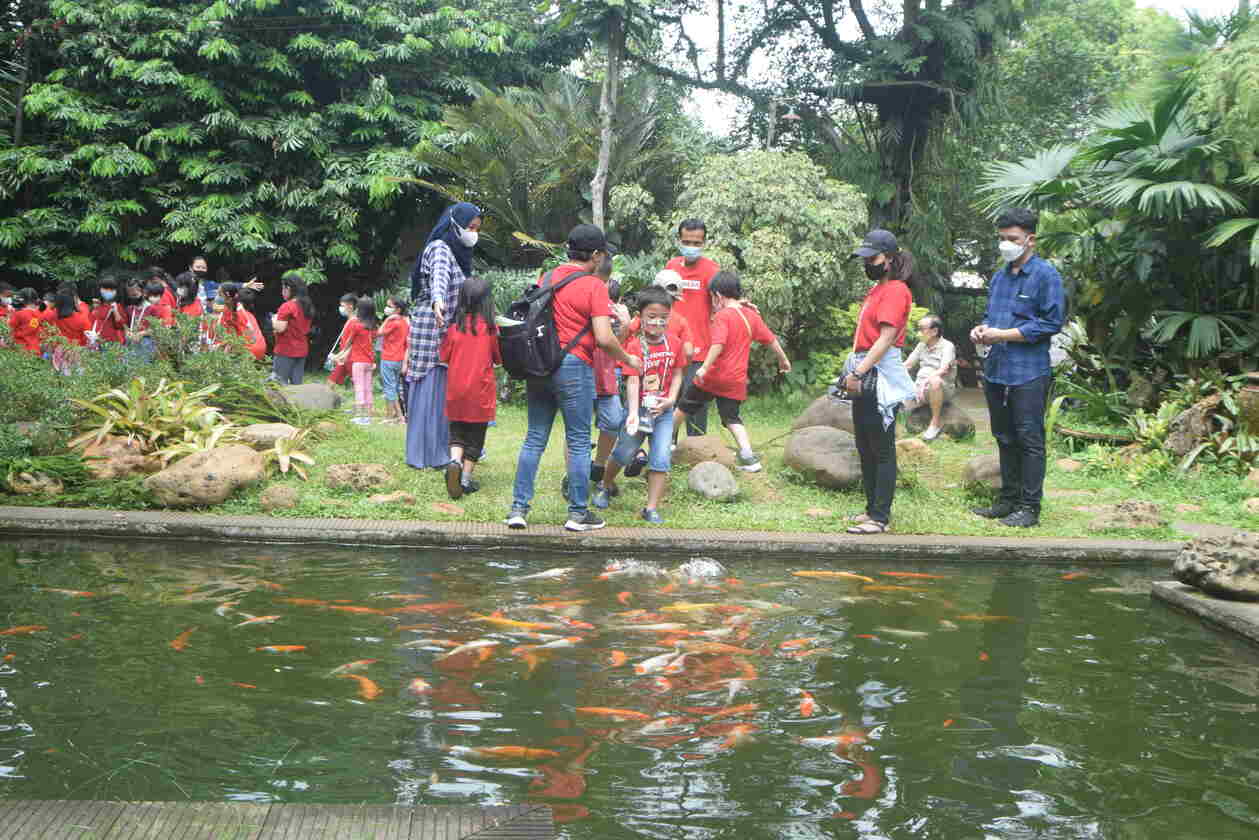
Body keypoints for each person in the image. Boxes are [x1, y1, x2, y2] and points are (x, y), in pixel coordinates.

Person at [505, 224, 641, 532]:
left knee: (534, 438)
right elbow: (605, 339)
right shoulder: (594, 286)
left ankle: (518, 509)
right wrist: (629, 358)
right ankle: (578, 513)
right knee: (579, 441)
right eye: (602, 254)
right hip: (574, 367)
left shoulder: (548, 277)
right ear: (595, 255)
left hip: (539, 365)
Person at [969, 208, 1066, 528]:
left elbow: (1050, 323)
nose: (1005, 245)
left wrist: (1003, 334)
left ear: (1030, 239)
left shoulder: (1046, 275)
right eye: (1001, 239)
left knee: (1029, 438)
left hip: (1029, 370)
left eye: (1012, 239)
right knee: (1003, 436)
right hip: (997, 367)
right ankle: (1007, 500)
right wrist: (982, 330)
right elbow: (992, 317)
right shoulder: (1000, 276)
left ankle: (1029, 507)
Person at [676, 270, 790, 473]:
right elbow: (770, 339)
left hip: (714, 375)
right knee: (731, 418)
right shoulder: (751, 316)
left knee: (685, 406)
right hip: (736, 379)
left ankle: (666, 442)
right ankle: (748, 456)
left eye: (712, 298)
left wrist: (703, 367)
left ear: (718, 296)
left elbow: (718, 344)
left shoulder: (723, 316)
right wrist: (783, 359)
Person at [843, 229, 918, 535]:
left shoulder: (897, 290)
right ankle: (871, 508)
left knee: (881, 446)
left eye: (872, 259)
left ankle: (880, 517)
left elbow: (887, 338)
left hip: (879, 372)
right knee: (864, 442)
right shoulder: (877, 289)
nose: (867, 264)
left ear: (889, 258)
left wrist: (859, 372)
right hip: (864, 365)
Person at [593, 286, 685, 524]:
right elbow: (633, 380)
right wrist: (633, 413)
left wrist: (671, 400)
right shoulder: (635, 345)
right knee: (624, 452)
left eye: (663, 318)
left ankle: (651, 508)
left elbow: (677, 373)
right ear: (641, 317)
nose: (657, 323)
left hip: (663, 412)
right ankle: (606, 484)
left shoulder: (674, 343)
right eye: (651, 317)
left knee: (661, 458)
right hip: (639, 410)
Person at [404, 202, 482, 469]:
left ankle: (444, 450)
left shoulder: (456, 253)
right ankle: (428, 453)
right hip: (432, 327)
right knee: (432, 388)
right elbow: (439, 280)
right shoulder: (439, 248)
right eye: (470, 227)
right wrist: (438, 301)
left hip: (447, 329)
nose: (473, 233)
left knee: (443, 390)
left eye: (476, 228)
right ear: (454, 224)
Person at [439, 276, 501, 499]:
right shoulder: (490, 330)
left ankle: (454, 462)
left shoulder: (454, 328)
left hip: (455, 390)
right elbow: (498, 359)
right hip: (480, 392)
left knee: (457, 432)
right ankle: (464, 480)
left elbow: (444, 356)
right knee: (476, 436)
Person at [664, 219, 720, 439]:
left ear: (704, 243)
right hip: (670, 346)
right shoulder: (671, 267)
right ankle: (667, 445)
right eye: (687, 241)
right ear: (679, 240)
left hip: (700, 349)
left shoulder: (712, 270)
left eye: (696, 243)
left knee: (694, 400)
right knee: (670, 397)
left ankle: (696, 446)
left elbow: (723, 303)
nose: (691, 246)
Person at [904, 314, 957, 441]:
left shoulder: (947, 346)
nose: (918, 332)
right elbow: (908, 365)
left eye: (921, 329)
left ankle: (935, 423)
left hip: (941, 388)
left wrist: (924, 383)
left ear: (934, 331)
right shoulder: (921, 345)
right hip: (921, 389)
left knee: (935, 381)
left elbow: (943, 369)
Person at [335, 296, 378, 424]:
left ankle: (360, 415)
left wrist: (339, 355)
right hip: (369, 362)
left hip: (358, 362)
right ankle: (369, 416)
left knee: (359, 387)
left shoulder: (356, 325)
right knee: (368, 388)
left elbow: (349, 343)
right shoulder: (373, 326)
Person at [271, 272, 314, 385]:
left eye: (283, 288)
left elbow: (280, 328)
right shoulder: (306, 305)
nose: (282, 291)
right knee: (296, 385)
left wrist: (273, 320)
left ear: (288, 288)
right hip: (302, 349)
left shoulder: (287, 306)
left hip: (286, 350)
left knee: (279, 384)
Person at [213, 282, 266, 360]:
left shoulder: (237, 313)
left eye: (220, 294)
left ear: (228, 297)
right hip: (256, 347)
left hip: (250, 349)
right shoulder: (233, 307)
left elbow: (250, 337)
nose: (217, 297)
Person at [378, 296, 409, 423]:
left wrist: (387, 319)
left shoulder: (393, 322)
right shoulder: (404, 322)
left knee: (389, 388)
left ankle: (396, 416)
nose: (387, 308)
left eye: (390, 306)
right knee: (394, 387)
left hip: (389, 358)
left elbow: (379, 332)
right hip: (399, 359)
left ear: (398, 309)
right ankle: (393, 415)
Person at [90, 277, 127, 345]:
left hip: (110, 343)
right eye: (105, 288)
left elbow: (121, 326)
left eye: (111, 289)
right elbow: (91, 322)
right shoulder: (98, 305)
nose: (108, 291)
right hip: (97, 341)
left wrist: (116, 312)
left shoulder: (117, 306)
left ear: (116, 291)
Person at [8, 288, 43, 354]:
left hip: (20, 350)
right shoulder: (40, 314)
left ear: (21, 299)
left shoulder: (19, 314)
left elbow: (9, 330)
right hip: (35, 350)